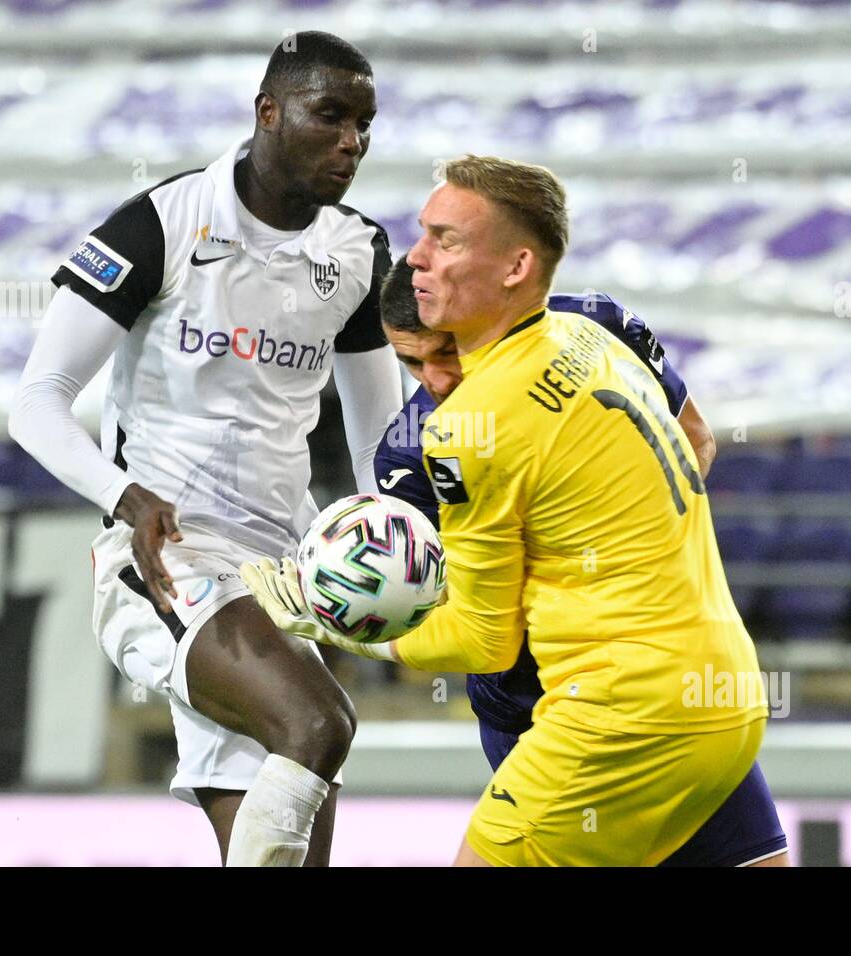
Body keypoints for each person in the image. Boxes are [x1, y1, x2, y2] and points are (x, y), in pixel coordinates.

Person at [244, 155, 769, 866]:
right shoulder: (593, 330)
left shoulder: (464, 433)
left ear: (516, 267)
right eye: (414, 366)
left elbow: (479, 636)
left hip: (611, 711)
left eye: (445, 240)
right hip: (720, 688)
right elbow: (689, 442)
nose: (436, 380)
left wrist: (340, 625)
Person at [9, 31, 402, 867]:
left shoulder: (358, 250)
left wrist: (390, 538)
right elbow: (35, 404)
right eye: (330, 116)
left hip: (287, 576)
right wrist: (124, 495)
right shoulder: (159, 224)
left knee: (291, 857)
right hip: (162, 557)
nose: (352, 143)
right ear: (268, 111)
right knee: (320, 722)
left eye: (365, 124)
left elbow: (377, 434)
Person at [371, 255, 788, 867]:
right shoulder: (411, 462)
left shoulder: (594, 324)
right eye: (412, 363)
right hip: (542, 708)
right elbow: (476, 618)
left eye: (448, 353)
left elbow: (695, 437)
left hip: (662, 682)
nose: (435, 380)